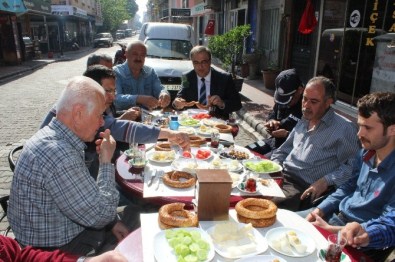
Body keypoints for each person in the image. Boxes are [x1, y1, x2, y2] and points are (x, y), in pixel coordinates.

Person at [9, 76, 130, 256]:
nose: (102, 122)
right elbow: (100, 215)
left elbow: (89, 201)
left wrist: (112, 222)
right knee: (137, 218)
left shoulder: (54, 136)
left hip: (55, 232)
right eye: (99, 115)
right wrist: (106, 160)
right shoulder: (59, 153)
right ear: (78, 113)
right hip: (55, 251)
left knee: (129, 215)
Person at [40, 65, 191, 179]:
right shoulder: (81, 111)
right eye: (108, 91)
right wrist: (169, 134)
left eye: (114, 91)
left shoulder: (79, 101)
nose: (112, 96)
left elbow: (114, 124)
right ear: (92, 88)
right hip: (80, 175)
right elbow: (119, 127)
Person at [303, 92, 395, 261]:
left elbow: (390, 224)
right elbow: (349, 186)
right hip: (333, 217)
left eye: (367, 128)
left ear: (392, 129)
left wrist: (343, 230)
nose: (359, 133)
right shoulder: (365, 153)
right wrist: (320, 209)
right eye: (359, 125)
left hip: (357, 241)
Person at [270, 76, 360, 211]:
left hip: (302, 187)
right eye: (304, 99)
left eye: (313, 101)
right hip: (281, 175)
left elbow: (352, 167)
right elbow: (284, 150)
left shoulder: (344, 129)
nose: (306, 105)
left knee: (264, 205)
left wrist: (326, 181)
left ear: (328, 102)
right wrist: (272, 167)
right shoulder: (306, 118)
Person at [172, 45, 242, 119]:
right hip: (193, 121)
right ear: (192, 63)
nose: (200, 66)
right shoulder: (187, 77)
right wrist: (176, 103)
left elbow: (237, 104)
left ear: (210, 61)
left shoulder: (224, 78)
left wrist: (222, 103)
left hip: (217, 121)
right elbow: (179, 98)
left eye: (204, 62)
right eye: (196, 62)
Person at [246, 68, 303, 156]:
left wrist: (287, 135)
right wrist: (271, 121)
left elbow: (309, 140)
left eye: (288, 99)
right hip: (273, 141)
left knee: (261, 161)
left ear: (300, 90)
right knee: (246, 151)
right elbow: (273, 113)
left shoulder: (308, 108)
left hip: (290, 149)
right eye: (282, 99)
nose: (286, 103)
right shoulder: (281, 100)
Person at [113, 40, 171, 111]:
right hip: (124, 118)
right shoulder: (116, 72)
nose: (138, 58)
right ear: (126, 54)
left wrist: (164, 94)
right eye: (135, 54)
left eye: (142, 55)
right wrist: (139, 99)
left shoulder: (150, 72)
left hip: (148, 117)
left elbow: (160, 88)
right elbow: (115, 99)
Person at [0, 235, 127, 261]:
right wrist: (106, 165)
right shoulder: (60, 165)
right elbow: (100, 213)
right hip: (55, 242)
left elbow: (22, 257)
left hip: (34, 240)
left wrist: (86, 261)